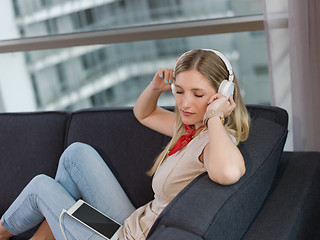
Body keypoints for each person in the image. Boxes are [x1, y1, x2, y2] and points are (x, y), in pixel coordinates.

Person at [0, 49, 250, 240]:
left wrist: (215, 116)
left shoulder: (213, 141)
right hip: (128, 226)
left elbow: (227, 172)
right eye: (179, 91)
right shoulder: (191, 129)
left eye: (198, 94)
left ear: (223, 94)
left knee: (40, 187)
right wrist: (155, 88)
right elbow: (144, 113)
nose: (184, 104)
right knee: (76, 154)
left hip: (125, 237)